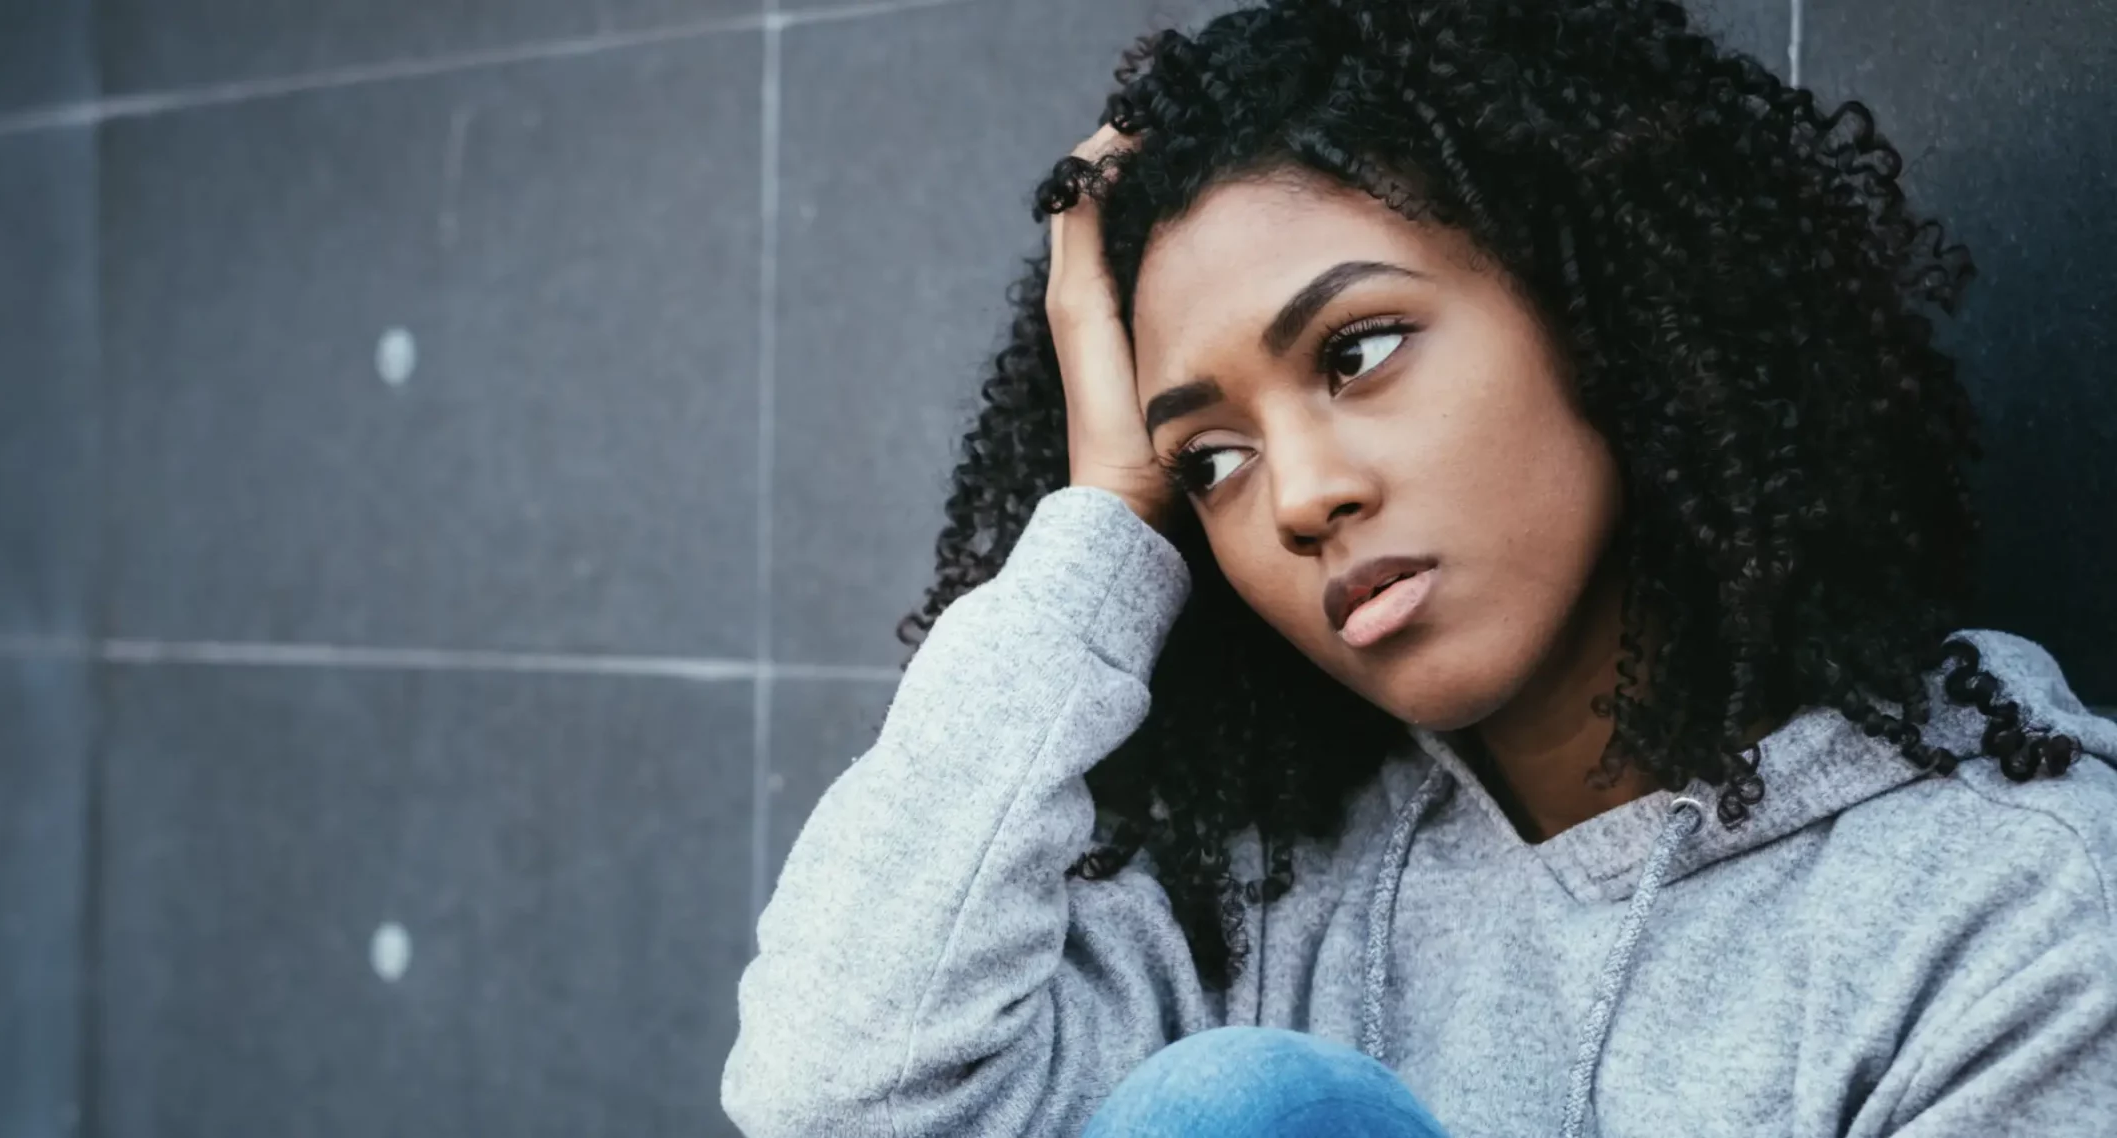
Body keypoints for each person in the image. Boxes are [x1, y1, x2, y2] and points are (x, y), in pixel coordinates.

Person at [720, 1, 2117, 1136]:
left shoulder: (2005, 915)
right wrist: (1102, 519)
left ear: (1596, 304)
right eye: (1210, 461)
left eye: (1359, 351)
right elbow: (834, 1095)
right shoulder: (1262, 905)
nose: (1306, 497)